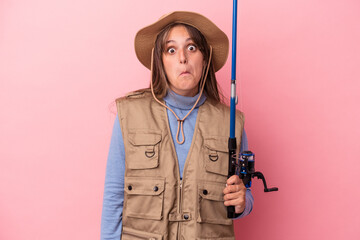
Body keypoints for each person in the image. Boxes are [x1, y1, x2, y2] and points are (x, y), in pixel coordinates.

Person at [101, 11, 254, 240]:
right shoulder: (129, 115)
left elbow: (245, 194)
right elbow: (114, 196)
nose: (182, 58)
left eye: (192, 48)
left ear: (205, 57)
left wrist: (244, 203)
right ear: (160, 61)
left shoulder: (231, 122)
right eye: (171, 50)